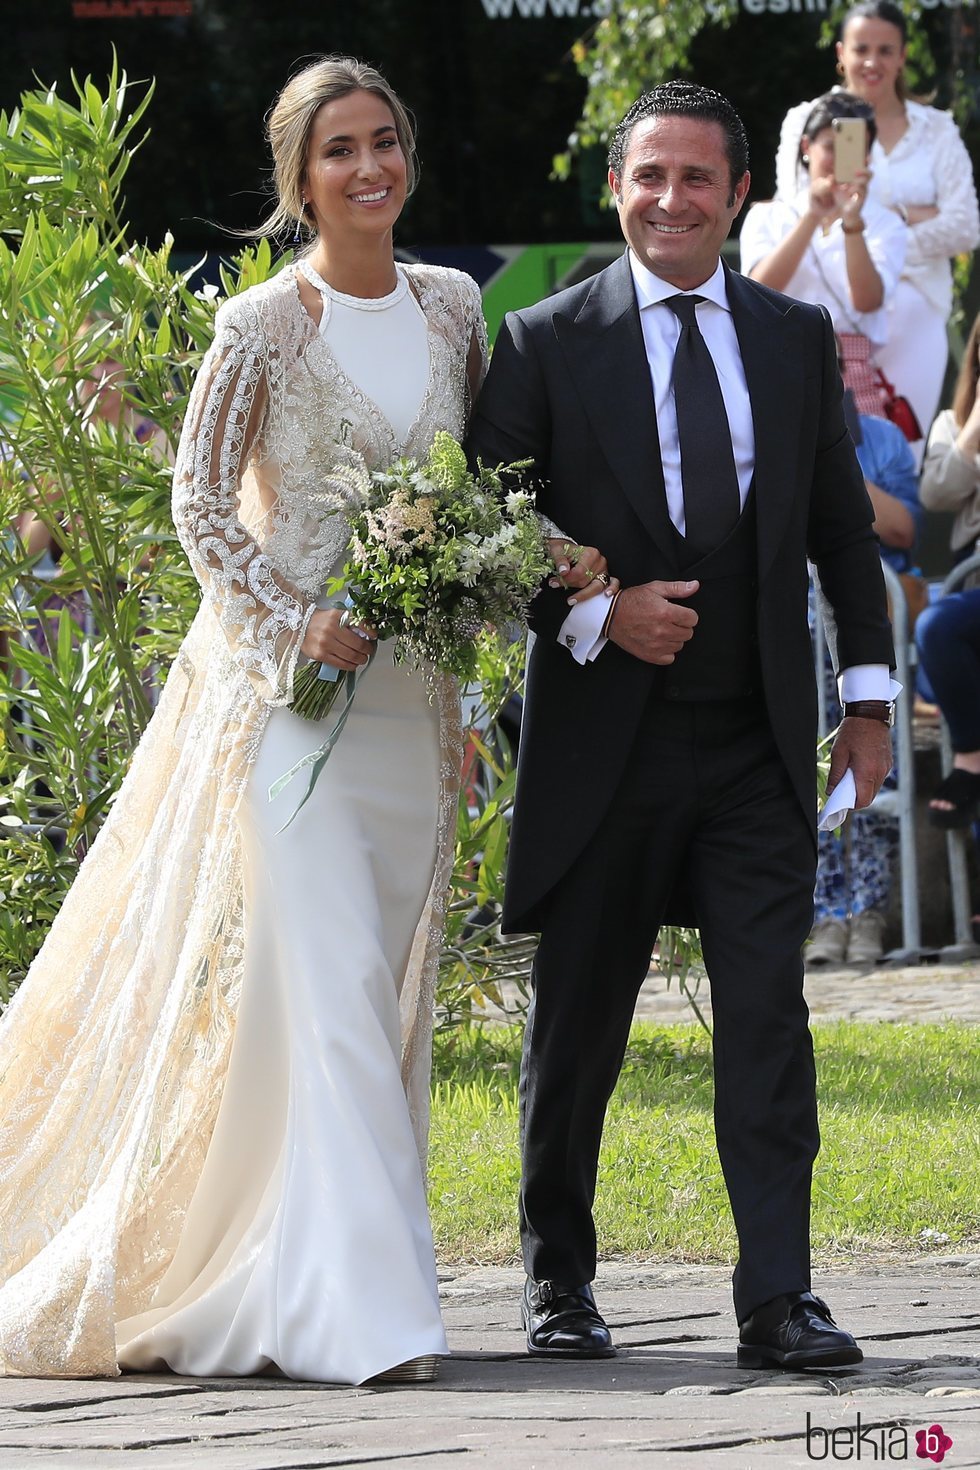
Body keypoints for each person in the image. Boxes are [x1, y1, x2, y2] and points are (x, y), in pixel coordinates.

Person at [0, 55, 605, 1386]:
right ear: (298, 177)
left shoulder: (454, 308)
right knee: (326, 990)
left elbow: (478, 489)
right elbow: (202, 510)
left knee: (359, 1000)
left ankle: (292, 1275)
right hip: (290, 711)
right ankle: (366, 1317)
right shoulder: (259, 326)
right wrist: (297, 623)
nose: (369, 167)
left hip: (409, 714)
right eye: (339, 149)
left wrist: (559, 558)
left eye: (385, 140)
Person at [468, 80, 895, 1371]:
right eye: (648, 177)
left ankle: (780, 1296)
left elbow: (836, 531)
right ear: (615, 191)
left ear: (738, 194)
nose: (671, 200)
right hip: (607, 744)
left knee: (768, 1016)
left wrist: (867, 701)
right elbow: (488, 529)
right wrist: (598, 615)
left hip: (755, 745)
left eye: (697, 178)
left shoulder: (791, 337)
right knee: (581, 1023)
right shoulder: (542, 341)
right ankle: (558, 1278)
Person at [774, 0, 979, 461]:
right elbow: (797, 213)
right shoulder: (806, 121)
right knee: (821, 451)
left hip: (913, 311)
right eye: (862, 48)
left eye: (886, 50)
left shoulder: (935, 130)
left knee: (900, 450)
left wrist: (891, 228)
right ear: (841, 52)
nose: (872, 62)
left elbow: (965, 225)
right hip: (825, 315)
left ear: (903, 56)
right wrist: (914, 215)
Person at [807, 401, 921, 967]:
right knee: (809, 769)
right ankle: (825, 912)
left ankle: (869, 909)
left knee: (869, 767)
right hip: (794, 646)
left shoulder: (882, 440)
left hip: (867, 640)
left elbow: (901, 527)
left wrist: (828, 462)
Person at [740, 91, 907, 419]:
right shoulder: (769, 216)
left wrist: (852, 220)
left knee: (855, 469)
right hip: (776, 361)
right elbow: (757, 291)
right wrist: (812, 217)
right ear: (806, 148)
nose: (841, 158)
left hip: (852, 373)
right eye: (831, 147)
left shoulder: (886, 223)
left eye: (855, 149)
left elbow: (866, 300)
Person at [916, 311, 980, 832]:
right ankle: (972, 758)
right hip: (972, 581)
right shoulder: (954, 423)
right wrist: (975, 428)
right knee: (937, 628)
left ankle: (971, 764)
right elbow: (935, 495)